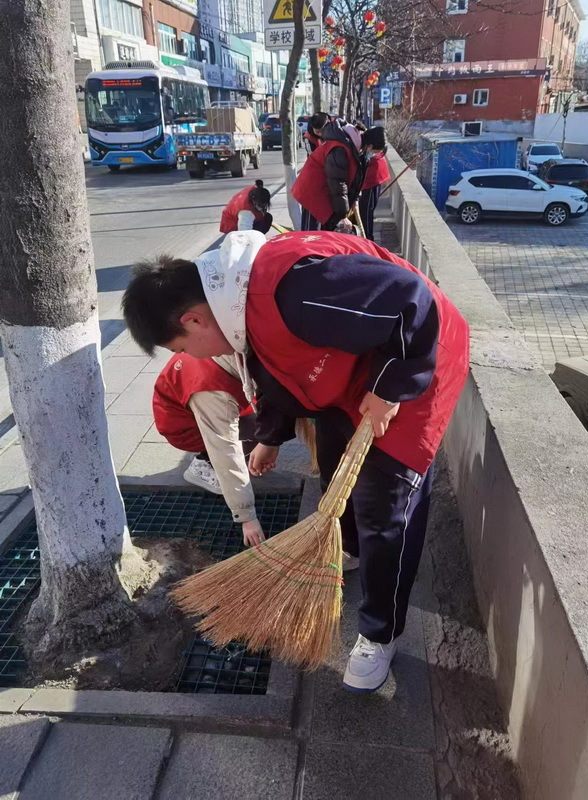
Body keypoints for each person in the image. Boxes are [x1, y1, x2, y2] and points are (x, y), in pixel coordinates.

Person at [121, 230, 470, 694]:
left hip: (415, 358)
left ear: (194, 319)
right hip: (351, 372)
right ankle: (349, 549)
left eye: (181, 348)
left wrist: (389, 390)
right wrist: (270, 437)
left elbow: (411, 301)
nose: (188, 358)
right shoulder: (232, 305)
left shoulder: (290, 289)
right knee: (335, 467)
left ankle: (379, 633)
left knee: (385, 507)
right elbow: (276, 367)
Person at [152, 333, 266, 548]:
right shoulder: (210, 389)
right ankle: (203, 467)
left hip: (197, 407)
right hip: (184, 428)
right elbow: (225, 447)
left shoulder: (220, 343)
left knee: (264, 424)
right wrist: (247, 516)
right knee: (255, 432)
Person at [293, 116, 364, 233]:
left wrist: (355, 199)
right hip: (313, 190)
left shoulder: (347, 144)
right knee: (311, 234)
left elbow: (351, 179)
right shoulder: (339, 148)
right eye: (317, 132)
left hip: (323, 189)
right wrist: (342, 215)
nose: (320, 134)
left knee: (321, 233)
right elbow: (338, 182)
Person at [359, 127, 391, 241]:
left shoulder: (373, 145)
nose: (377, 154)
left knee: (368, 212)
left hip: (373, 179)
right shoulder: (361, 144)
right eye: (376, 152)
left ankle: (368, 239)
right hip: (368, 181)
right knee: (366, 212)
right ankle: (367, 238)